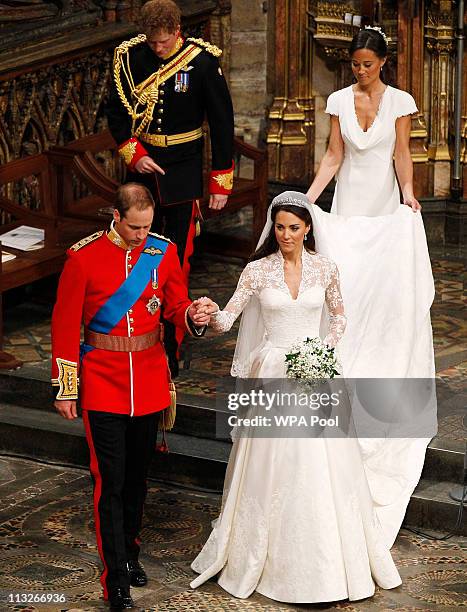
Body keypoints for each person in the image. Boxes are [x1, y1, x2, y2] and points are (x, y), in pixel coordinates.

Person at [190, 192, 402, 603]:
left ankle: (326, 561)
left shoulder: (325, 268)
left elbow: (339, 315)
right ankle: (265, 556)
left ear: (307, 228)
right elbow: (228, 319)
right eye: (280, 227)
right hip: (272, 374)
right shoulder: (256, 271)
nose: (286, 235)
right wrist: (207, 314)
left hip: (315, 371)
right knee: (273, 464)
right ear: (274, 227)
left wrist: (323, 350)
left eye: (294, 227)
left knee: (319, 463)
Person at [305, 26, 436, 546]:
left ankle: (382, 348)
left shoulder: (400, 101)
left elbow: (401, 153)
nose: (358, 71)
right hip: (348, 208)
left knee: (381, 289)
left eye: (366, 64)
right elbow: (334, 157)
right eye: (354, 64)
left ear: (382, 61)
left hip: (384, 208)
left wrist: (409, 194)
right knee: (346, 287)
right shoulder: (339, 99)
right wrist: (307, 198)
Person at [51, 183, 210, 611]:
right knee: (111, 484)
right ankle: (114, 577)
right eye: (134, 227)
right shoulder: (83, 258)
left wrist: (193, 314)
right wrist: (67, 388)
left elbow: (175, 307)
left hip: (150, 381)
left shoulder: (163, 251)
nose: (142, 236)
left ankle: (132, 552)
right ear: (116, 217)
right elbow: (65, 326)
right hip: (102, 384)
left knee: (138, 481)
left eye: (147, 226)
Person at [106, 0, 235, 375]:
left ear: (177, 31)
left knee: (172, 263)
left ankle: (169, 349)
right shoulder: (130, 57)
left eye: (163, 43)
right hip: (143, 174)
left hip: (182, 173)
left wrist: (220, 181)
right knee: (132, 256)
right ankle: (134, 338)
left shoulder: (202, 63)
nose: (157, 49)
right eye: (153, 42)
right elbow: (116, 113)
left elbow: (222, 124)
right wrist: (135, 154)